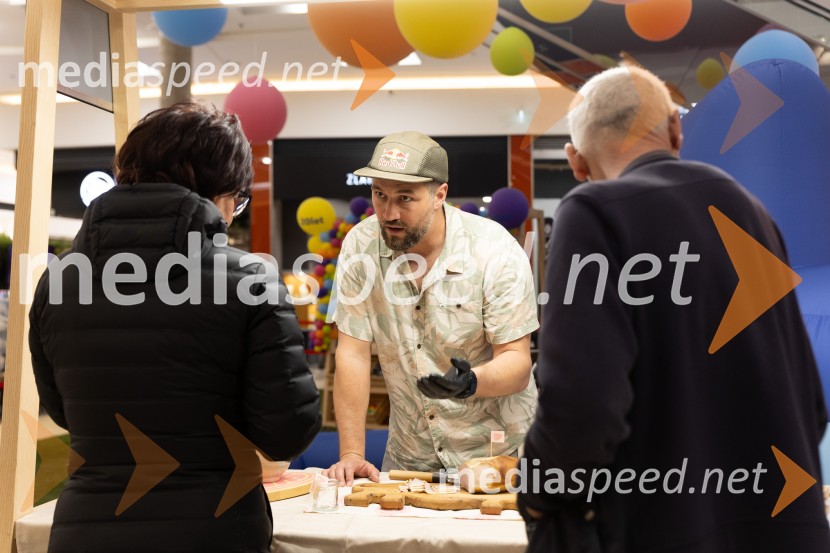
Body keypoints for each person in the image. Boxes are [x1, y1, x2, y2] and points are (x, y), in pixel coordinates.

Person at [518, 66, 830, 552]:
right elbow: (810, 402)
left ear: (576, 162)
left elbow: (583, 404)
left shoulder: (593, 212)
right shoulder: (751, 211)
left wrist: (537, 495)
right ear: (676, 132)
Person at [29, 102, 321, 553]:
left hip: (87, 530)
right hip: (214, 528)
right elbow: (286, 430)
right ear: (221, 190)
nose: (233, 214)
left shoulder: (60, 280)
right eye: (238, 200)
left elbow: (65, 412)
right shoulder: (250, 280)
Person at [324, 131, 540, 484]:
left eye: (405, 198)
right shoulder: (360, 246)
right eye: (380, 195)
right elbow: (353, 354)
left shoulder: (493, 250)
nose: (389, 212)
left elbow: (517, 362)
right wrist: (351, 453)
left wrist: (471, 382)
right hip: (410, 458)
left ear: (440, 195)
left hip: (497, 457)